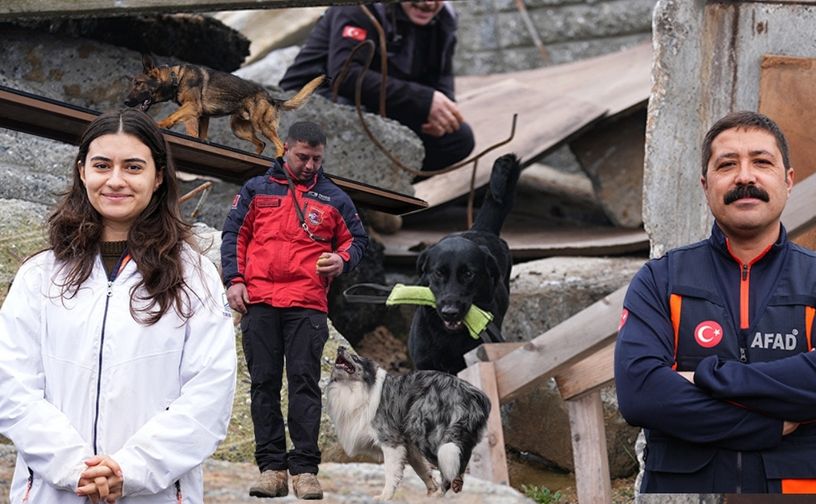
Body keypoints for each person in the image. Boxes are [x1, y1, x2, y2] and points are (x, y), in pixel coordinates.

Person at [615, 111, 816, 494]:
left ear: (788, 180)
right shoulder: (660, 280)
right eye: (727, 165)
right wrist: (768, 423)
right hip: (684, 490)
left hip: (798, 489)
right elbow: (640, 394)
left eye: (761, 162)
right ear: (706, 184)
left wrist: (707, 376)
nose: (745, 177)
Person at [0, 108, 237, 503]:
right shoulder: (41, 274)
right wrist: (75, 469)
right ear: (82, 172)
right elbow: (13, 385)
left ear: (158, 176)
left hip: (155, 493)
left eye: (132, 167)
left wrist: (131, 470)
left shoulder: (194, 275)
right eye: (101, 165)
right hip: (52, 491)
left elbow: (209, 393)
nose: (115, 180)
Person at [221, 121, 368, 499]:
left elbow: (357, 240)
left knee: (305, 385)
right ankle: (271, 469)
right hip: (260, 302)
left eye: (317, 159)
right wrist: (234, 280)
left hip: (307, 304)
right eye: (303, 156)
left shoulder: (335, 197)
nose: (310, 165)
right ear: (285, 148)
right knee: (263, 385)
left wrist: (342, 260)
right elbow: (234, 233)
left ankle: (305, 471)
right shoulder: (256, 189)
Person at [279, 1, 474, 172]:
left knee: (457, 138)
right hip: (316, 99)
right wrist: (423, 99)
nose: (428, 4)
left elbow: (441, 76)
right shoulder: (359, 8)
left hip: (377, 103)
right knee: (355, 119)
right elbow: (344, 75)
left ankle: (389, 185)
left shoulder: (444, 18)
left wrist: (441, 114)